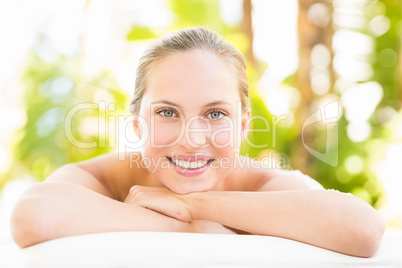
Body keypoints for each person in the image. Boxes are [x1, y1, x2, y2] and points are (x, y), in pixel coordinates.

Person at [10, 27, 384, 257]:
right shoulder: (105, 178)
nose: (192, 139)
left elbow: (363, 229)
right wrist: (192, 228)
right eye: (168, 112)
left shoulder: (262, 186)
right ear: (137, 125)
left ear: (243, 126)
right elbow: (35, 213)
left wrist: (191, 205)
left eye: (216, 114)